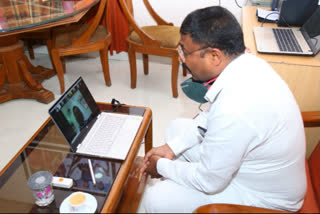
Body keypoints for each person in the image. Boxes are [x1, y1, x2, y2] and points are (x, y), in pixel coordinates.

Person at [140, 6, 306, 213]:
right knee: (177, 129)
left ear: (214, 56)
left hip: (264, 198)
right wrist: (171, 148)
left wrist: (161, 167)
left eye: (185, 51)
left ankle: (173, 186)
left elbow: (209, 181)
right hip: (250, 169)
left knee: (157, 198)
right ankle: (177, 181)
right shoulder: (246, 63)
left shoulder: (236, 106)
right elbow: (208, 117)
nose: (181, 58)